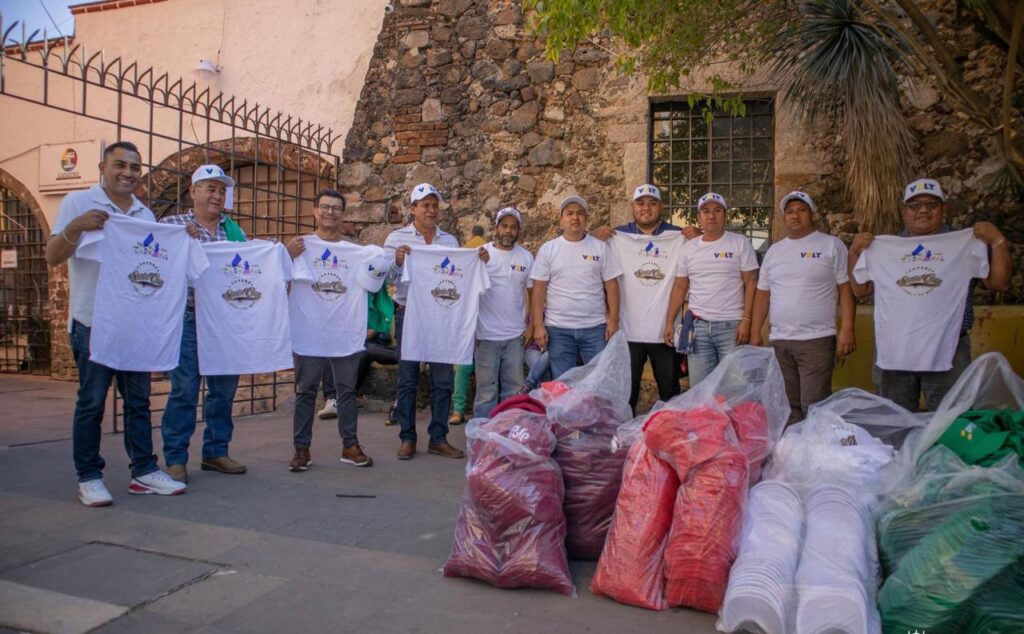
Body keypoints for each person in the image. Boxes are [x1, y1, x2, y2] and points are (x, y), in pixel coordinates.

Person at [45, 141, 185, 506]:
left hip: (134, 325)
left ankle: (144, 470)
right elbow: (52, 256)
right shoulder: (78, 203)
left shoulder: (144, 214)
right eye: (120, 165)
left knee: (138, 401)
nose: (128, 172)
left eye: (135, 167)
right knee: (92, 403)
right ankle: (89, 476)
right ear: (102, 169)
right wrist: (76, 227)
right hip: (91, 321)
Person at [849, 178, 1012, 412]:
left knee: (947, 419)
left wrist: (997, 241)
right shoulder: (885, 247)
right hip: (895, 348)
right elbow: (860, 290)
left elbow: (999, 283)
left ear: (943, 209)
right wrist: (854, 253)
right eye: (915, 205)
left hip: (948, 347)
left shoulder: (964, 243)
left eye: (931, 204)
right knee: (896, 419)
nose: (923, 210)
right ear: (904, 212)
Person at [384, 183, 486, 460]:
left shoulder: (449, 242)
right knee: (407, 378)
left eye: (434, 205)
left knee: (443, 379)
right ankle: (407, 438)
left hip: (442, 317)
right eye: (425, 205)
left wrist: (478, 260)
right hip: (408, 314)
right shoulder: (396, 239)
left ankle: (438, 438)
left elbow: (459, 275)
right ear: (413, 209)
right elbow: (387, 278)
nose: (430, 210)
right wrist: (397, 261)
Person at [159, 164, 248, 482]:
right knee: (184, 389)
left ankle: (215, 452)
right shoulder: (172, 226)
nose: (217, 195)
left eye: (222, 190)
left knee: (223, 391)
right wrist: (179, 243)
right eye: (210, 188)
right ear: (193, 191)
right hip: (188, 318)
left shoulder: (235, 231)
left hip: (224, 322)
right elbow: (158, 264)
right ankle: (175, 458)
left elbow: (246, 268)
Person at [286, 189, 384, 470]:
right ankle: (301, 449)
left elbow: (376, 280)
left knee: (346, 391)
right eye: (325, 207)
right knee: (306, 391)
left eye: (336, 208)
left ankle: (350, 446)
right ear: (315, 211)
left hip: (344, 328)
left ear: (343, 214)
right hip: (309, 329)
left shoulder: (357, 252)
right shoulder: (299, 247)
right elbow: (276, 278)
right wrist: (287, 256)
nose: (330, 212)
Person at [750, 191, 856, 424]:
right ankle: (794, 446)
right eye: (789, 212)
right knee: (788, 407)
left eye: (801, 210)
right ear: (783, 217)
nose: (795, 216)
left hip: (816, 340)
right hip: (780, 341)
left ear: (812, 214)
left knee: (814, 405)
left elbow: (846, 289)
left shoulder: (831, 245)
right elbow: (763, 293)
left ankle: (816, 446)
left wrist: (847, 328)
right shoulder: (774, 251)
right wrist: (756, 331)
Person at [599, 184, 692, 412]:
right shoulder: (616, 236)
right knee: (626, 394)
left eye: (652, 203)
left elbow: (704, 251)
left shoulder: (679, 236)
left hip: (665, 332)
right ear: (632, 207)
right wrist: (594, 236)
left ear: (661, 207)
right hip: (627, 331)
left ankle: (670, 431)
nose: (646, 208)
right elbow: (590, 256)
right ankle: (623, 432)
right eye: (640, 203)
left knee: (670, 393)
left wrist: (698, 236)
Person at [663, 192, 759, 386]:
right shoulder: (689, 248)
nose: (711, 216)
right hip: (698, 329)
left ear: (725, 215)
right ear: (699, 217)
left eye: (717, 211)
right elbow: (680, 287)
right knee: (701, 389)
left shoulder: (739, 242)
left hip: (732, 328)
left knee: (735, 389)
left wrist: (747, 321)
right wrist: (669, 322)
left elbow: (751, 282)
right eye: (706, 211)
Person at [531, 195, 623, 380]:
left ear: (586, 219)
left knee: (596, 381)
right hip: (558, 329)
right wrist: (538, 325)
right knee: (562, 383)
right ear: (561, 219)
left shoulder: (600, 248)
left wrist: (613, 320)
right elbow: (538, 290)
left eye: (580, 213)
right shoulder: (548, 249)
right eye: (569, 213)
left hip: (595, 328)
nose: (575, 217)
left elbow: (612, 286)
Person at [473, 207, 534, 417]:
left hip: (515, 337)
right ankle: (482, 433)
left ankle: (510, 431)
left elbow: (533, 294)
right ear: (495, 228)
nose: (508, 231)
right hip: (485, 335)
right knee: (486, 393)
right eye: (504, 226)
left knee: (514, 391)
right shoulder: (480, 254)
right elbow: (466, 287)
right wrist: (478, 264)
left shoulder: (526, 257)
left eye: (513, 227)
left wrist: (531, 326)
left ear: (518, 231)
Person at [449, 226, 489, 424]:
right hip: (468, 330)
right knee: (463, 367)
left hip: (490, 332)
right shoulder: (462, 277)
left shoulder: (492, 270)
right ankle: (458, 409)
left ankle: (485, 411)